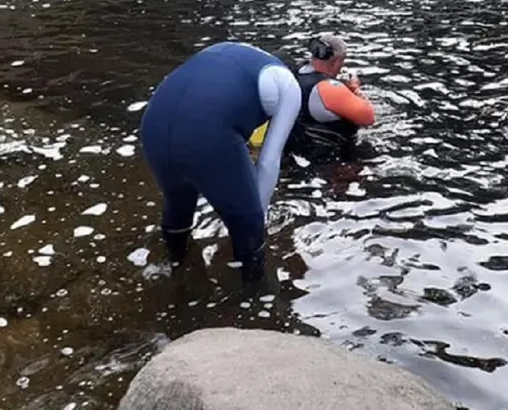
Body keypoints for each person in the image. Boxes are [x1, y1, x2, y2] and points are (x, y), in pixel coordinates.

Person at [139, 41, 302, 288]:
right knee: (247, 220)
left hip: (152, 123)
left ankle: (174, 269)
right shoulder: (288, 84)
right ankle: (254, 300)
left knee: (178, 201)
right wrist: (258, 219)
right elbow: (269, 163)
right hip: (207, 133)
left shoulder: (227, 48)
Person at [252, 35, 375, 158]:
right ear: (336, 60)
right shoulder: (329, 88)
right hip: (327, 160)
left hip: (291, 150)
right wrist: (355, 88)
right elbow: (368, 118)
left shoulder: (292, 74)